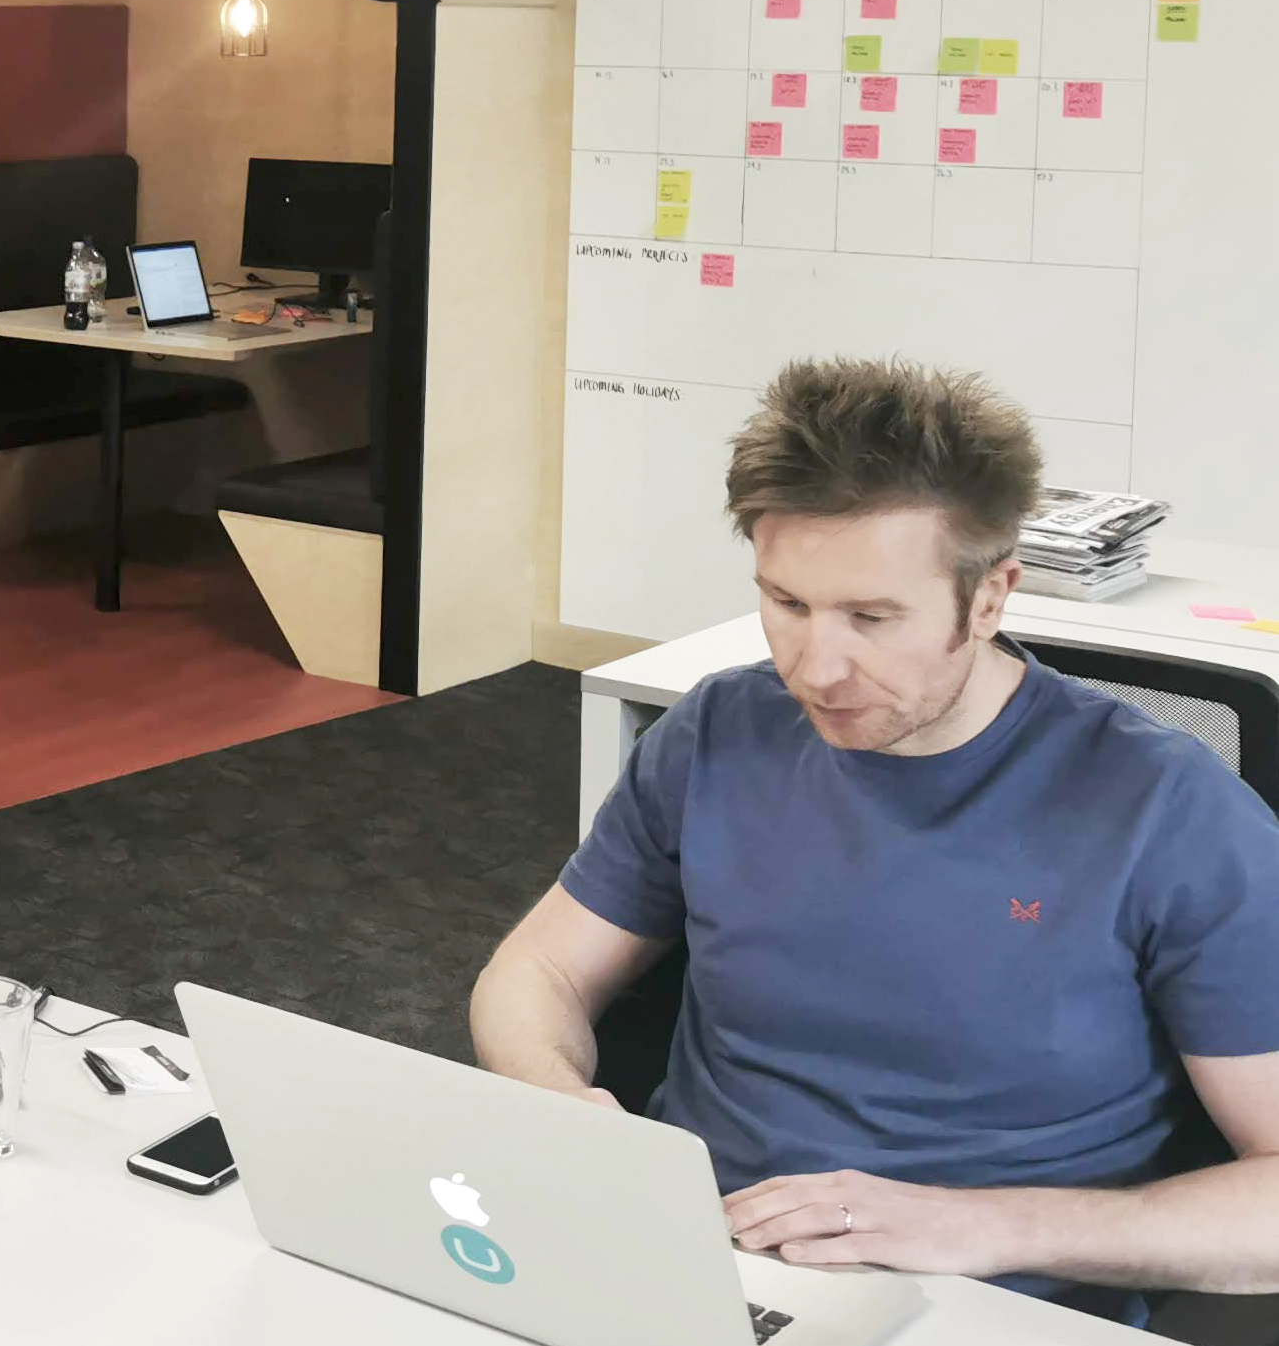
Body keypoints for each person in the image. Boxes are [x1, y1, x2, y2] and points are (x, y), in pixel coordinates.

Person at [470, 357, 1279, 1320]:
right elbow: (538, 973)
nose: (817, 666)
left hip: (982, 1299)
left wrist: (981, 1227)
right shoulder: (718, 730)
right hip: (686, 1258)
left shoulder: (1172, 813)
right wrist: (557, 1100)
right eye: (788, 602)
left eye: (872, 617)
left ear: (990, 596)